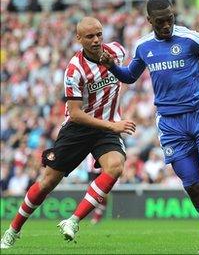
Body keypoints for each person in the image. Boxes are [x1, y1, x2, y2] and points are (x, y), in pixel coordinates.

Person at [99, 0, 199, 253]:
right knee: (192, 185)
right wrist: (113, 67)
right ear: (149, 21)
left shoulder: (189, 38)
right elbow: (130, 76)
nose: (166, 26)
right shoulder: (143, 46)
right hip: (170, 124)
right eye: (160, 22)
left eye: (170, 20)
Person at [0, 17, 136, 249]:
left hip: (106, 129)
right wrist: (113, 125)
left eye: (99, 34)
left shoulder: (117, 51)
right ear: (78, 39)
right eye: (90, 36)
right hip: (79, 129)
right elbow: (74, 113)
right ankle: (13, 230)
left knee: (115, 166)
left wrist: (114, 111)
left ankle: (72, 221)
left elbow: (127, 76)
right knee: (47, 183)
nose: (96, 40)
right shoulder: (75, 69)